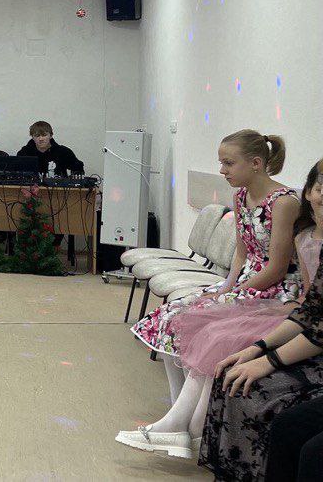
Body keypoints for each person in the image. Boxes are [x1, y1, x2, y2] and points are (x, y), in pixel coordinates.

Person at [116, 154, 316, 458]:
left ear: (255, 163)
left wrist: (235, 292)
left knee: (214, 334)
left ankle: (190, 427)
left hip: (275, 291)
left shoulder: (284, 202)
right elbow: (241, 253)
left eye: (228, 163)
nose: (222, 170)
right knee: (172, 318)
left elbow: (281, 272)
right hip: (251, 284)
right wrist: (226, 288)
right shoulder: (248, 201)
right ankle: (179, 416)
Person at [200, 219, 323, 480]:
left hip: (314, 350)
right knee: (232, 376)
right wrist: (259, 348)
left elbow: (318, 331)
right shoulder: (306, 237)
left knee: (279, 415)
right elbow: (311, 311)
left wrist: (269, 361)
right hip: (311, 343)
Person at [15, 121, 83, 177]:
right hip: (30, 189)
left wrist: (72, 180)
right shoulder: (24, 153)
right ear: (32, 137)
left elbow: (78, 168)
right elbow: (15, 172)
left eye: (44, 135)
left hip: (58, 189)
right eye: (37, 136)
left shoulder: (63, 152)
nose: (41, 139)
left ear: (51, 136)